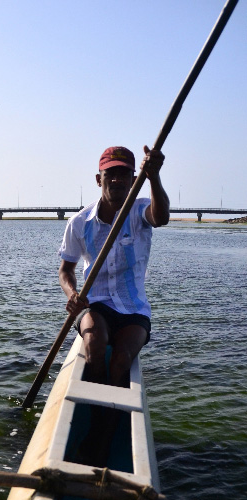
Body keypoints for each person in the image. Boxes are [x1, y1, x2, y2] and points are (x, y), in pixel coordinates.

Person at [57, 145, 169, 467]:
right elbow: (66, 270)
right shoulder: (81, 222)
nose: (118, 180)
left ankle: (99, 438)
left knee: (120, 361)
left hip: (134, 309)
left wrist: (154, 176)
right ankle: (99, 425)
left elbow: (161, 218)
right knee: (94, 343)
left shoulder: (140, 210)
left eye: (125, 174)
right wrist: (72, 294)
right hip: (98, 303)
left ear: (134, 179)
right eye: (111, 174)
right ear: (98, 178)